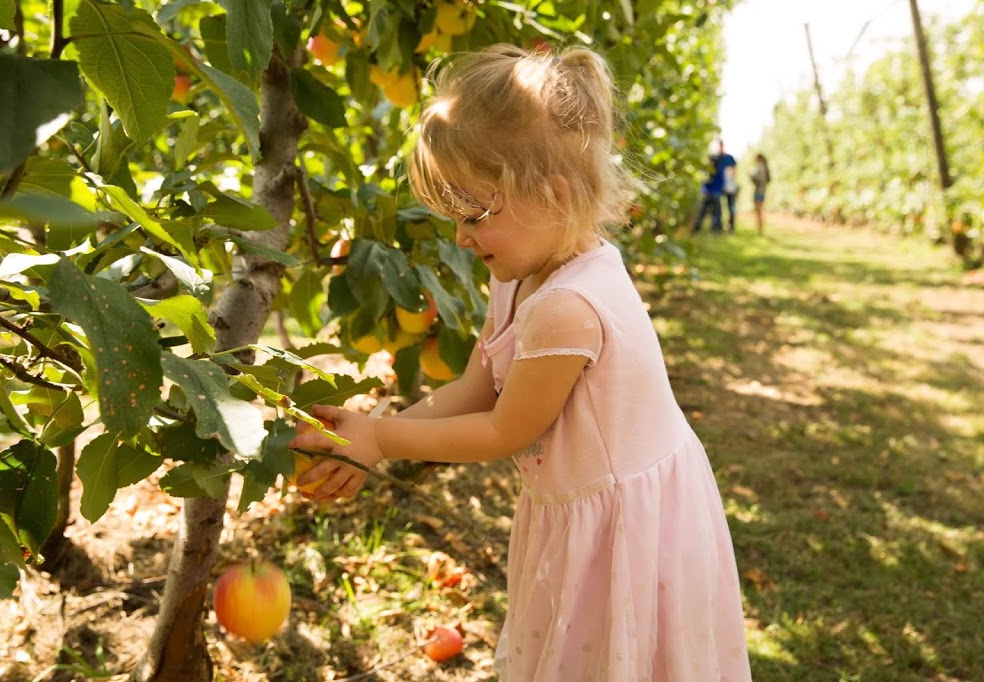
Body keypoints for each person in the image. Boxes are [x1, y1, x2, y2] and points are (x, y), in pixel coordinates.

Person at [293, 44, 752, 682]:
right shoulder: (520, 273)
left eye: (475, 212)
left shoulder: (569, 305)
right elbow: (478, 387)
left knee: (620, 652)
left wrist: (383, 439)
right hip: (577, 513)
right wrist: (374, 429)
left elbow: (507, 429)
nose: (460, 235)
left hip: (625, 527)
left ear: (553, 195)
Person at [693, 153, 724, 233]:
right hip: (715, 193)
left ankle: (697, 229)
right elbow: (722, 182)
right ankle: (715, 230)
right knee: (716, 213)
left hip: (708, 193)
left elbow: (703, 181)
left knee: (702, 212)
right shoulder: (719, 169)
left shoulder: (707, 170)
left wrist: (703, 190)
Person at [717, 139, 739, 232]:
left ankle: (731, 227)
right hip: (719, 187)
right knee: (719, 207)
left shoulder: (730, 158)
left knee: (731, 206)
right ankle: (719, 226)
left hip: (730, 186)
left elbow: (735, 171)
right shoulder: (716, 158)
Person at [750, 153, 771, 235]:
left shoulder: (761, 168)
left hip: (759, 192)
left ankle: (760, 230)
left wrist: (751, 175)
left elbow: (759, 180)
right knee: (759, 210)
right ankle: (760, 229)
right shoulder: (764, 168)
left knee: (759, 211)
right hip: (762, 191)